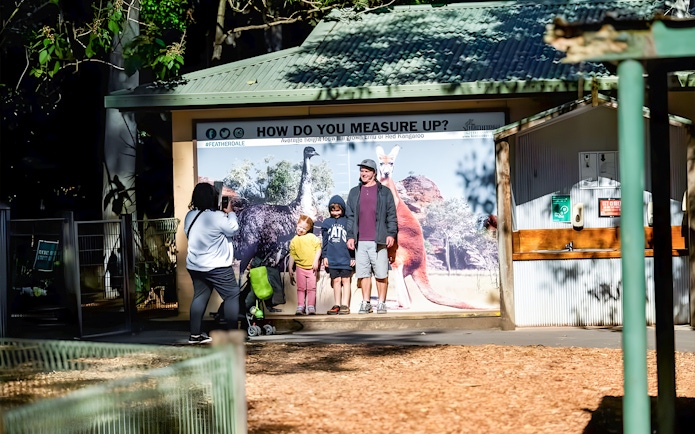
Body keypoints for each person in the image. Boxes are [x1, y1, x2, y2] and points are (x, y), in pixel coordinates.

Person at [183, 182, 241, 344]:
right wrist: (230, 213)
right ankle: (232, 336)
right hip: (217, 266)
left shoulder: (190, 216)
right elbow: (233, 229)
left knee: (200, 296)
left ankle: (195, 335)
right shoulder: (217, 217)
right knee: (231, 295)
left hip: (195, 265)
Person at [346, 158, 397, 314]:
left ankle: (381, 303)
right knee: (363, 274)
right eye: (361, 171)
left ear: (374, 173)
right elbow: (350, 216)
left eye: (367, 171)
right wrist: (350, 235)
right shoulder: (355, 192)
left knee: (381, 273)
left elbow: (391, 215)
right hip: (360, 241)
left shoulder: (384, 192)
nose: (363, 173)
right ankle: (366, 302)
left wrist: (391, 233)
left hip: (379, 240)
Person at [321, 195, 356, 315]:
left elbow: (352, 240)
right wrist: (324, 256)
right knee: (336, 281)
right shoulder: (326, 223)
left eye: (338, 210)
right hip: (332, 258)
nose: (335, 213)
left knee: (346, 280)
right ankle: (337, 304)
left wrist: (353, 257)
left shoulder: (347, 222)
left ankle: (345, 305)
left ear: (343, 209)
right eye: (333, 210)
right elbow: (324, 241)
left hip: (345, 257)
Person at [288, 214, 322, 315]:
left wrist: (316, 261)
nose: (301, 229)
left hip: (311, 268)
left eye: (304, 228)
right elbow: (292, 255)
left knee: (312, 288)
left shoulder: (312, 237)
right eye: (300, 227)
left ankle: (311, 306)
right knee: (301, 288)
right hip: (300, 268)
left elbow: (318, 249)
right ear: (297, 224)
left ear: (308, 229)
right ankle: (300, 306)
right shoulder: (294, 240)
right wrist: (290, 267)